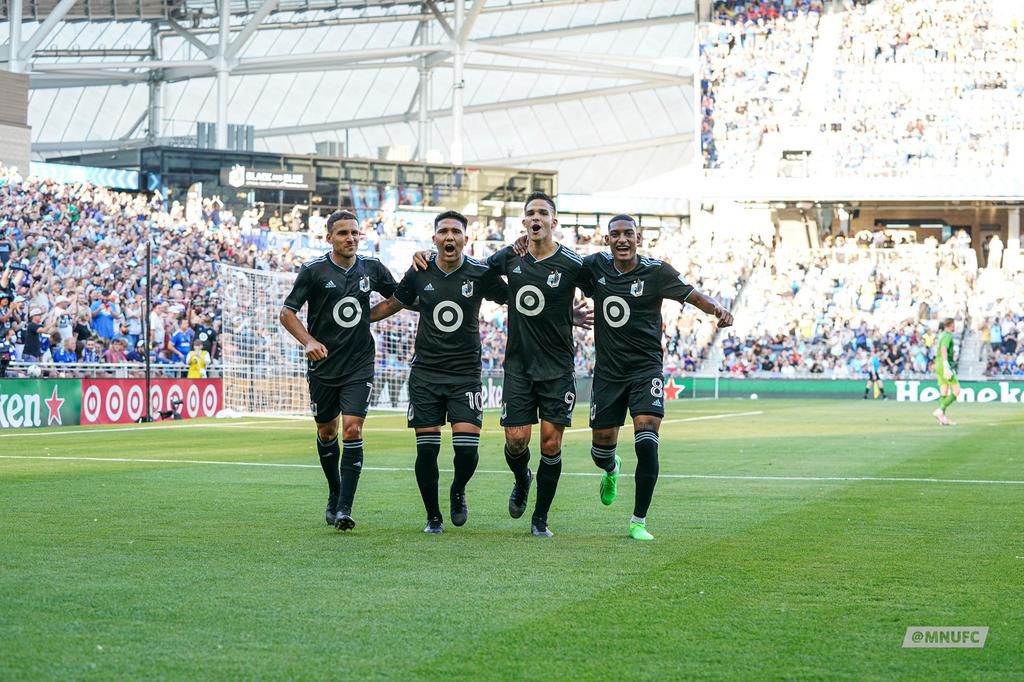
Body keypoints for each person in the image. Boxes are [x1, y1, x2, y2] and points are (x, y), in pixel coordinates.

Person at [583, 215, 733, 541]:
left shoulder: (656, 271)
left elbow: (694, 296)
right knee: (600, 450)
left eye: (628, 234)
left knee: (647, 436)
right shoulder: (594, 266)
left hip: (645, 369)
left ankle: (638, 521)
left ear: (639, 237)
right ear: (607, 240)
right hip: (608, 375)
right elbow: (559, 275)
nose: (622, 240)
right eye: (615, 235)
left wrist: (717, 309)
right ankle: (610, 469)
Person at [370, 211, 507, 533]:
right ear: (434, 239)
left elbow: (516, 300)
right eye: (443, 231)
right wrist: (353, 321)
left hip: (465, 375)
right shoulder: (420, 271)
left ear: (465, 239)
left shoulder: (480, 273)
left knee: (466, 451)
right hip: (426, 374)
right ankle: (433, 517)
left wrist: (564, 313)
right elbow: (393, 304)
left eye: (455, 232)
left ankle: (458, 489)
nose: (449, 237)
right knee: (427, 450)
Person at [279, 210, 397, 531]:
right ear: (328, 237)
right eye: (343, 233)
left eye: (355, 233)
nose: (350, 238)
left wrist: (368, 316)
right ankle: (334, 492)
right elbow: (287, 313)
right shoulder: (313, 271)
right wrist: (308, 341)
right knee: (327, 432)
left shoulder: (371, 268)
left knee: (353, 430)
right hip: (323, 365)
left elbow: (399, 297)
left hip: (359, 363)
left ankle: (344, 508)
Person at [484, 191, 593, 538]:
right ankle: (522, 478)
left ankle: (540, 518)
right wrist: (508, 296)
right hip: (518, 366)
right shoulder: (511, 258)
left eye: (542, 213)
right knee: (516, 441)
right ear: (524, 222)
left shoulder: (572, 264)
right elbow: (479, 275)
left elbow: (602, 291)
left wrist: (570, 315)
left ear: (553, 222)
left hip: (558, 368)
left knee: (550, 444)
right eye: (530, 212)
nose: (536, 218)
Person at [932, 318, 960, 426]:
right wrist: (946, 364)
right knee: (957, 390)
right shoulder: (947, 336)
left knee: (943, 391)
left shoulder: (942, 335)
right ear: (950, 325)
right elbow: (944, 348)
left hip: (938, 364)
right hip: (944, 365)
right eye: (954, 324)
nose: (955, 326)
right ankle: (940, 410)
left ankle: (942, 419)